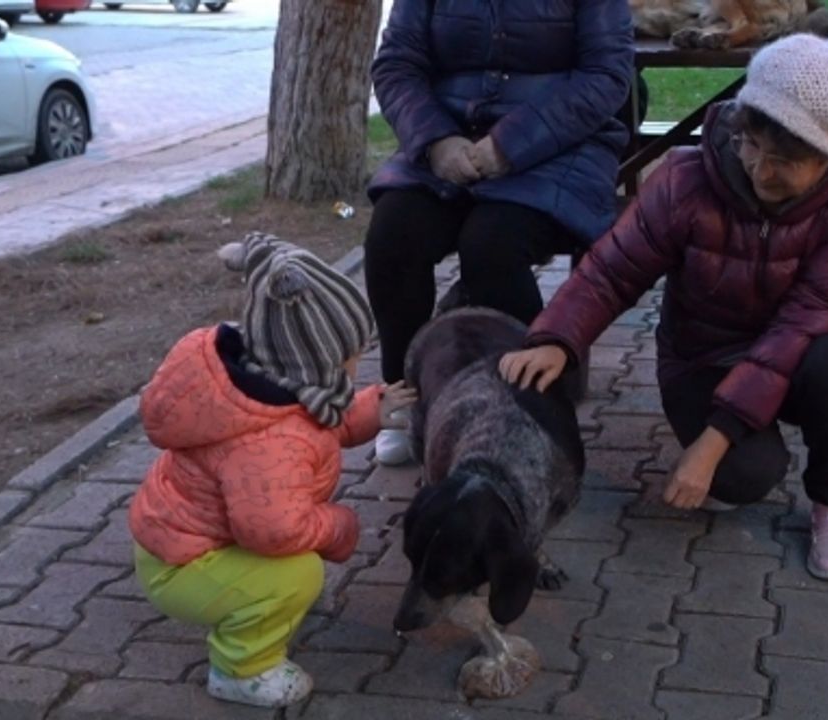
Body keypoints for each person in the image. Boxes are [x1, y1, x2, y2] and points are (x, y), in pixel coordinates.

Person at [500, 34, 828, 581]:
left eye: (784, 162)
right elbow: (614, 268)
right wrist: (557, 337)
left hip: (796, 348)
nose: (759, 169)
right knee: (745, 478)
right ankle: (746, 448)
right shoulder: (685, 179)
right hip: (703, 353)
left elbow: (798, 329)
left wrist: (710, 443)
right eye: (751, 144)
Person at [128, 232, 416, 708]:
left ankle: (255, 603)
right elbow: (274, 529)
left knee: (290, 559)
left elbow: (321, 422)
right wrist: (338, 528)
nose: (356, 363)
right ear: (320, 359)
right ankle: (242, 669)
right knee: (297, 572)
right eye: (352, 354)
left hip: (183, 538)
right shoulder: (269, 443)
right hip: (183, 564)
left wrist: (373, 409)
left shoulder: (269, 380)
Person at [362, 0, 635, 465]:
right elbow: (397, 64)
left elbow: (607, 76)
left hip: (558, 148)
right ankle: (404, 398)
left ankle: (534, 408)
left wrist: (509, 146)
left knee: (492, 245)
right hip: (447, 142)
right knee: (392, 235)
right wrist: (434, 141)